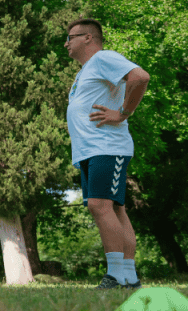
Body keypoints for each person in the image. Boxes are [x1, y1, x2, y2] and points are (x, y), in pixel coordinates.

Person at [64, 18, 150, 289]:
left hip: (107, 147)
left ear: (88, 38)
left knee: (99, 205)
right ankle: (129, 277)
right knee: (114, 208)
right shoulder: (87, 70)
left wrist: (124, 113)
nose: (66, 43)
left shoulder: (103, 58)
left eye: (71, 37)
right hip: (92, 150)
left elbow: (140, 77)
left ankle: (115, 276)